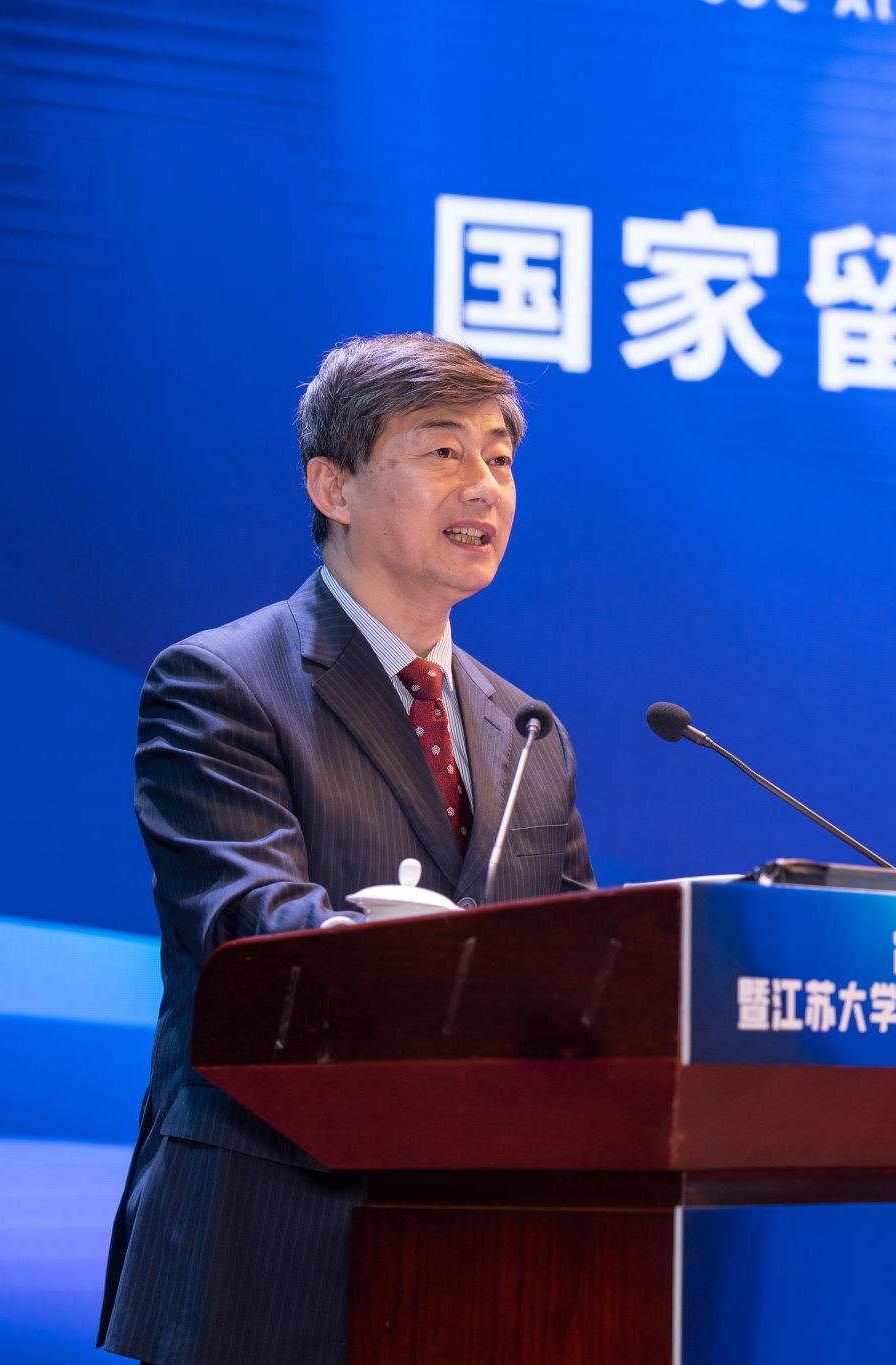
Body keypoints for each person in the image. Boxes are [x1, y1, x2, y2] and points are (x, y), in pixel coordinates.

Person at [98, 333, 593, 1365]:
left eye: (501, 458)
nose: (485, 485)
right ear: (334, 486)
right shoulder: (223, 683)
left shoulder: (528, 730)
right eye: (443, 451)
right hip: (268, 1239)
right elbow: (250, 933)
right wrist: (436, 955)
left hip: (487, 1257)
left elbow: (587, 964)